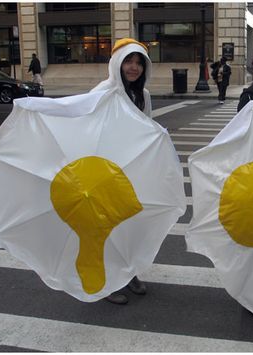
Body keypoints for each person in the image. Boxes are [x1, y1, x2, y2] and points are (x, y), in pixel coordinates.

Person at [91, 38, 152, 304]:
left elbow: (148, 130)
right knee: (105, 229)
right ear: (117, 62)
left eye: (139, 62)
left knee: (129, 226)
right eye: (129, 60)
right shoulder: (102, 93)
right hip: (104, 172)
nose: (134, 67)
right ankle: (105, 283)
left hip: (132, 171)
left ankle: (128, 274)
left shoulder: (143, 95)